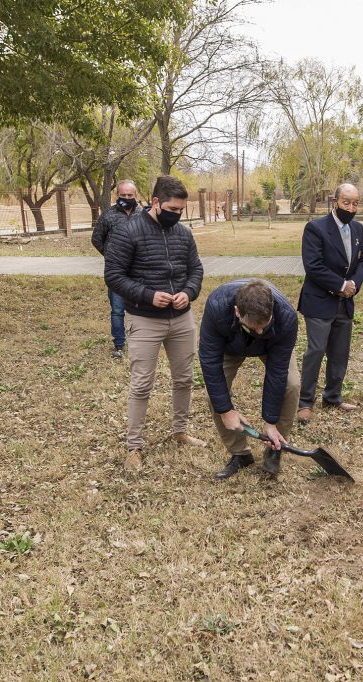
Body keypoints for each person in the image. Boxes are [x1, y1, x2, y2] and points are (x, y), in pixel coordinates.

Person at [105, 175, 205, 472]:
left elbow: (195, 270)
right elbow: (114, 276)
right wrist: (149, 295)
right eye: (172, 209)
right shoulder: (128, 231)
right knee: (142, 384)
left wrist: (188, 293)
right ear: (156, 202)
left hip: (181, 319)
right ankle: (134, 446)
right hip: (145, 319)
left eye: (181, 211)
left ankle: (180, 430)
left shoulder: (184, 234)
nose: (177, 215)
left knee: (184, 378)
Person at [199, 279, 300, 479]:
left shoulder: (286, 316)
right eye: (255, 327)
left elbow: (277, 371)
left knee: (291, 384)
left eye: (265, 325)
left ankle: (275, 446)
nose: (260, 332)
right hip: (230, 345)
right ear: (237, 312)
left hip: (273, 347)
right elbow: (210, 362)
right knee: (216, 398)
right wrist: (226, 410)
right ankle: (240, 454)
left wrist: (270, 422)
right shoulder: (217, 307)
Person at [296, 183, 363, 423]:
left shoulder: (357, 228)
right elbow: (313, 265)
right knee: (316, 351)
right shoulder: (316, 228)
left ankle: (333, 396)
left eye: (355, 203)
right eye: (346, 202)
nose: (351, 207)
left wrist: (354, 285)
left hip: (345, 303)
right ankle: (305, 402)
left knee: (340, 352)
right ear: (334, 201)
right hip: (319, 301)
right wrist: (340, 285)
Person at [92, 180, 141, 358]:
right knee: (118, 310)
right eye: (123, 195)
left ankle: (142, 341)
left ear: (136, 195)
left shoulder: (144, 215)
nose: (127, 198)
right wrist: (111, 256)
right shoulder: (108, 215)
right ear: (117, 195)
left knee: (141, 309)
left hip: (139, 271)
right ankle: (119, 345)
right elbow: (97, 239)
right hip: (117, 272)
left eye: (130, 195)